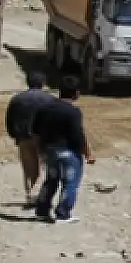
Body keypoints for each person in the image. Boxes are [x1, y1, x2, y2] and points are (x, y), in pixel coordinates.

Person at [32, 75, 94, 224]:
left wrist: (39, 150)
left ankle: (42, 209)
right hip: (68, 152)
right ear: (76, 93)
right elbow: (78, 136)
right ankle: (63, 213)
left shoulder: (45, 108)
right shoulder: (73, 112)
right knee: (70, 182)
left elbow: (36, 132)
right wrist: (88, 153)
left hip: (50, 151)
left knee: (51, 180)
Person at [4, 71, 54, 207]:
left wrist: (13, 134)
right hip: (43, 137)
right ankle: (39, 194)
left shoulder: (17, 99)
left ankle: (29, 196)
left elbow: (9, 118)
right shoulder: (49, 99)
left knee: (28, 168)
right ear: (43, 83)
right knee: (43, 167)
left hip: (23, 136)